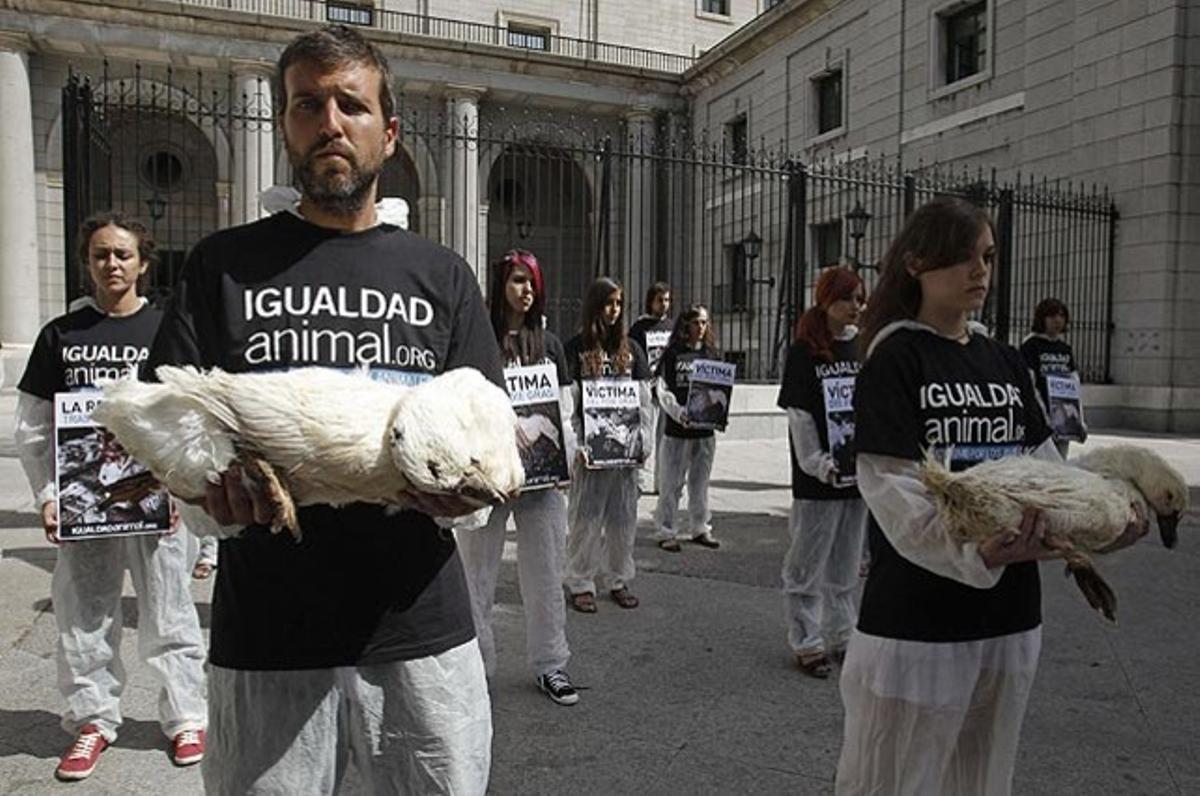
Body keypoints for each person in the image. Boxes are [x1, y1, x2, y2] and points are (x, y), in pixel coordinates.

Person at [145, 25, 497, 793]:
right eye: (308, 105)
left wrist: (465, 490)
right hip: (268, 633)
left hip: (420, 632)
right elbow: (168, 426)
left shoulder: (442, 274)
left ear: (389, 131)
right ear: (284, 127)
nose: (330, 123)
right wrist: (210, 492)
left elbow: (489, 430)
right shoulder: (222, 265)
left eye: (351, 104)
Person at [834, 197, 1148, 795]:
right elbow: (892, 488)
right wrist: (975, 555)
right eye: (964, 257)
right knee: (896, 778)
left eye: (987, 256)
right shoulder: (894, 357)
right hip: (918, 619)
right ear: (918, 262)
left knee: (982, 777)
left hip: (1009, 618)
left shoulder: (1004, 360)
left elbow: (1046, 470)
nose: (980, 271)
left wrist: (1103, 521)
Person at [13, 212, 208, 782]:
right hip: (84, 499)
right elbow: (34, 424)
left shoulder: (167, 328)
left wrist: (183, 484)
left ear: (144, 263)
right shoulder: (61, 335)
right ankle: (93, 719)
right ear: (88, 263)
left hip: (155, 498)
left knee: (170, 609)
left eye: (123, 254)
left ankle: (185, 717)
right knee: (84, 610)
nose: (112, 264)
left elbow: (187, 414)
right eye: (101, 255)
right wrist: (49, 493)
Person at [456, 249, 580, 706]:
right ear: (500, 285)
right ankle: (476, 669)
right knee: (476, 576)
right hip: (489, 479)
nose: (525, 291)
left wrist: (565, 458)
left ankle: (552, 665)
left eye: (531, 282)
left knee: (546, 574)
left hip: (541, 481)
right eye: (516, 281)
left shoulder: (549, 345)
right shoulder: (479, 341)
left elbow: (563, 412)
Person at [777, 267, 869, 678]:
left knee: (847, 563)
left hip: (857, 476)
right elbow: (800, 416)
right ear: (827, 300)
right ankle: (806, 640)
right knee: (807, 562)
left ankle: (841, 635)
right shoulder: (805, 352)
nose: (856, 307)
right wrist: (818, 463)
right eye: (848, 298)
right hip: (820, 479)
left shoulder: (865, 348)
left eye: (861, 299)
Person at [562, 277, 652, 613]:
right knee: (585, 517)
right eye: (608, 303)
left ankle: (618, 578)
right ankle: (580, 581)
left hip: (625, 456)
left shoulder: (632, 351)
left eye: (618, 304)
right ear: (594, 306)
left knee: (623, 518)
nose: (613, 311)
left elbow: (645, 402)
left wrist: (643, 441)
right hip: (591, 455)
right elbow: (568, 405)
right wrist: (576, 446)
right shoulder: (575, 350)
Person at [652, 304, 722, 552]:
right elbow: (662, 389)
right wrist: (678, 412)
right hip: (678, 430)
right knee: (672, 483)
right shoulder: (673, 354)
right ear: (686, 325)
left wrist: (718, 414)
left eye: (704, 323)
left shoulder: (711, 354)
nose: (701, 328)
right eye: (696, 323)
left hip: (704, 431)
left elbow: (719, 390)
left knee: (700, 482)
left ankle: (700, 527)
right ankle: (666, 530)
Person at [1020, 297, 1086, 458]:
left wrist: (1080, 422)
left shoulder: (1065, 348)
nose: (1058, 321)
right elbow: (1030, 383)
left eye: (1061, 316)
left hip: (1064, 421)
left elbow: (1074, 384)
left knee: (1061, 464)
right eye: (1052, 316)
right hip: (1041, 420)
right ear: (1042, 319)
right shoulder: (1030, 345)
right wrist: (1043, 417)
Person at [628, 282, 672, 493]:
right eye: (660, 300)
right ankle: (638, 481)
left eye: (667, 300)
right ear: (650, 302)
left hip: (666, 390)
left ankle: (661, 483)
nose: (664, 305)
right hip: (645, 388)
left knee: (665, 440)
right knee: (644, 436)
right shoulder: (639, 327)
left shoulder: (672, 327)